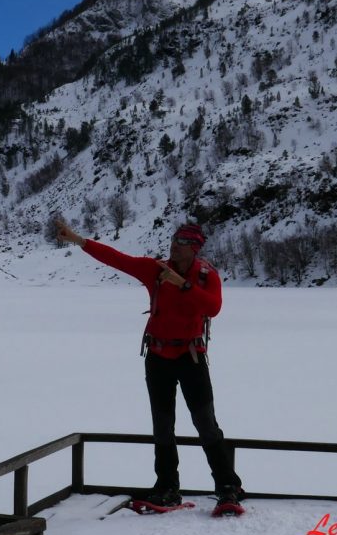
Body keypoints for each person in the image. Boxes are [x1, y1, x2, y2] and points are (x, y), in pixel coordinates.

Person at [55, 219, 244, 510]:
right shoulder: (155, 271)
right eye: (173, 241)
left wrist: (183, 285)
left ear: (194, 248)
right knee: (163, 426)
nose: (174, 246)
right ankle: (167, 487)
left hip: (191, 358)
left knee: (206, 424)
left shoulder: (207, 276)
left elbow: (213, 307)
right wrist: (79, 240)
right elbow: (118, 260)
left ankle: (228, 488)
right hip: (158, 358)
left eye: (181, 243)